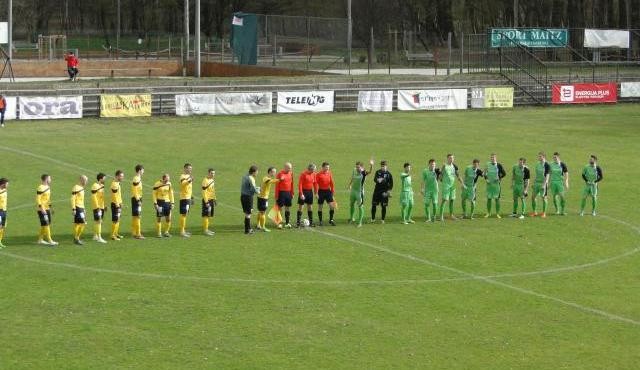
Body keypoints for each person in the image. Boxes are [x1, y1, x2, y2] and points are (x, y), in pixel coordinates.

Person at [348, 159, 374, 227]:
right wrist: (350, 184)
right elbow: (353, 177)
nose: (357, 168)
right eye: (356, 167)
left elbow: (370, 172)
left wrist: (371, 165)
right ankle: (352, 218)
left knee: (360, 206)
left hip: (359, 192)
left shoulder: (363, 172)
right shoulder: (354, 170)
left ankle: (360, 222)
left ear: (362, 167)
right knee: (351, 204)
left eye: (358, 167)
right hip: (353, 190)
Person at [439, 154, 463, 221]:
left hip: (453, 186)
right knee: (444, 200)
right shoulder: (444, 166)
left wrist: (462, 183)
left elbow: (458, 175)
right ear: (447, 159)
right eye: (450, 158)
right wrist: (442, 181)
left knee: (452, 199)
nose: (451, 159)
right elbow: (440, 176)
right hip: (446, 186)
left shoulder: (454, 166)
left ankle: (451, 215)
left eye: (452, 158)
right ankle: (441, 216)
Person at [36, 174, 58, 246]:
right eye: (50, 178)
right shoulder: (40, 188)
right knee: (46, 223)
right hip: (42, 209)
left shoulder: (48, 187)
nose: (50, 180)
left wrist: (51, 207)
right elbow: (38, 199)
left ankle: (40, 239)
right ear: (46, 179)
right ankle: (50, 240)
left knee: (45, 224)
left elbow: (48, 199)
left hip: (47, 208)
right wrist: (41, 208)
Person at [257, 167, 280, 232]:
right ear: (270, 172)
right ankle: (263, 227)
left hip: (261, 197)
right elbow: (270, 181)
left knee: (260, 211)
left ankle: (258, 225)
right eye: (274, 172)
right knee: (263, 212)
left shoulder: (266, 178)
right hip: (263, 198)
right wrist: (279, 180)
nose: (275, 173)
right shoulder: (266, 178)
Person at [484, 153, 506, 218]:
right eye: (491, 158)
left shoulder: (499, 165)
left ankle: (497, 213)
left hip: (496, 185)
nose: (492, 159)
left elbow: (504, 173)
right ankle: (488, 213)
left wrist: (499, 178)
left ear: (496, 158)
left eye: (493, 158)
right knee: (489, 198)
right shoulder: (487, 164)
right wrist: (486, 179)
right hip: (489, 184)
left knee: (497, 199)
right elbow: (484, 173)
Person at [152, 174, 174, 238]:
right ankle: (159, 233)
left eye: (168, 180)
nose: (167, 181)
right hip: (160, 203)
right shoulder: (157, 184)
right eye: (166, 180)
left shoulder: (169, 184)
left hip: (167, 203)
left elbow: (171, 193)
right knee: (159, 218)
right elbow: (154, 194)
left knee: (168, 218)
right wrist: (155, 203)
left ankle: (166, 232)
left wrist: (172, 203)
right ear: (163, 178)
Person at [240, 165, 260, 235]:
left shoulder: (245, 176)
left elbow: (248, 186)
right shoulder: (251, 178)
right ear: (254, 172)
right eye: (257, 172)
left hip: (243, 196)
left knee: (247, 213)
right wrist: (258, 192)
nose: (257, 173)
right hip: (248, 197)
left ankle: (249, 228)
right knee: (248, 214)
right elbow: (253, 188)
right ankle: (247, 230)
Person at [530, 152, 551, 218]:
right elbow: (536, 174)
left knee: (544, 198)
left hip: (543, 183)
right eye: (538, 156)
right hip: (537, 183)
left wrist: (544, 185)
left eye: (540, 156)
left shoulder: (547, 165)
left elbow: (547, 175)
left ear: (544, 157)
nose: (539, 158)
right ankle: (535, 212)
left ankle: (544, 213)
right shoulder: (537, 164)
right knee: (533, 197)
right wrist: (533, 183)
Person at [315, 162, 336, 226]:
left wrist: (332, 193)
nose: (327, 168)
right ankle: (320, 221)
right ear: (323, 167)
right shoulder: (318, 174)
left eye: (328, 167)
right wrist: (316, 193)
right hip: (321, 191)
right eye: (326, 167)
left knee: (332, 206)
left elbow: (332, 184)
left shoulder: (329, 173)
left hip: (328, 191)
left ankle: (331, 220)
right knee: (320, 207)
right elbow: (315, 184)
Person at [274, 163, 294, 229]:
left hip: (288, 193)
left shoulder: (291, 173)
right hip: (281, 193)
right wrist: (276, 195)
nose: (290, 169)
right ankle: (278, 223)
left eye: (290, 168)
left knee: (287, 207)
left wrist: (292, 193)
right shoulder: (280, 174)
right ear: (285, 167)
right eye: (289, 168)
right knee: (279, 208)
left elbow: (292, 184)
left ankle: (287, 223)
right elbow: (277, 186)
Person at [71, 175, 88, 245]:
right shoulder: (76, 187)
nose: (86, 182)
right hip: (77, 207)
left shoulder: (82, 188)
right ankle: (76, 238)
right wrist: (73, 208)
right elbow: (73, 198)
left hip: (81, 207)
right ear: (81, 180)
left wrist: (84, 208)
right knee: (83, 223)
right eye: (85, 180)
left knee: (77, 223)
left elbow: (82, 200)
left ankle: (76, 238)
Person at [91, 173, 108, 243]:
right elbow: (94, 197)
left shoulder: (102, 186)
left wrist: (105, 205)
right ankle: (99, 237)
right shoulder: (95, 186)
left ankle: (95, 236)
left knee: (97, 221)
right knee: (99, 221)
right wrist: (97, 206)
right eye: (104, 178)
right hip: (97, 207)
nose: (105, 179)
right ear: (100, 179)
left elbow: (102, 197)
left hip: (101, 206)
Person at [179, 163, 194, 238]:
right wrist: (189, 180)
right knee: (183, 214)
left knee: (185, 214)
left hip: (188, 197)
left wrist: (192, 197)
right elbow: (183, 184)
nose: (190, 170)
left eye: (191, 168)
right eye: (189, 168)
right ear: (185, 168)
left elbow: (189, 188)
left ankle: (183, 230)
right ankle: (182, 231)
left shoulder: (188, 176)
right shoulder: (183, 176)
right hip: (184, 198)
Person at [201, 168, 217, 236]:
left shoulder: (212, 180)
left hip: (211, 199)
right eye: (211, 173)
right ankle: (205, 230)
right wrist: (206, 202)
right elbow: (204, 192)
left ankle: (207, 229)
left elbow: (213, 190)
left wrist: (215, 198)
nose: (213, 175)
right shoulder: (205, 181)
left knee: (209, 215)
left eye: (214, 173)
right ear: (208, 173)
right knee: (206, 215)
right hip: (207, 200)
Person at [110, 170, 125, 241]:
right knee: (115, 220)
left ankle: (116, 233)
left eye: (122, 176)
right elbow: (114, 196)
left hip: (118, 203)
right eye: (121, 176)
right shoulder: (114, 184)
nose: (122, 178)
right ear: (117, 176)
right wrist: (117, 205)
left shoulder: (117, 183)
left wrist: (121, 203)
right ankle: (113, 235)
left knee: (118, 219)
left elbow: (119, 195)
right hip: (115, 204)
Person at [131, 164, 145, 238]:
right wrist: (138, 199)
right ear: (139, 170)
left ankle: (134, 232)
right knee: (138, 216)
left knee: (135, 216)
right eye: (143, 170)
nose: (143, 172)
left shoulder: (137, 178)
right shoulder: (136, 179)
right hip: (137, 199)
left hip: (136, 198)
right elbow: (135, 190)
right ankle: (138, 234)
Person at [0, 178, 8, 248]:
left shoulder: (5, 190)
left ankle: (0, 241)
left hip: (4, 211)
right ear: (3, 184)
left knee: (3, 226)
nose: (8, 185)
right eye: (7, 183)